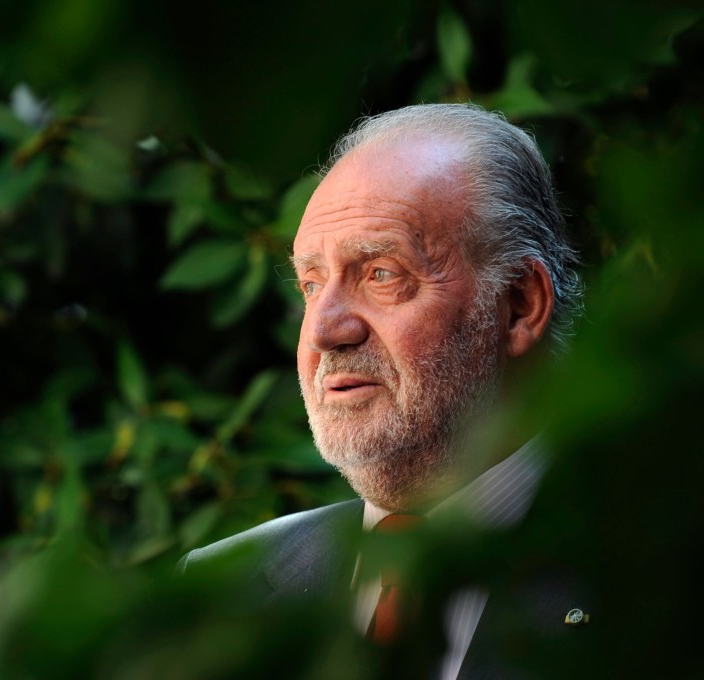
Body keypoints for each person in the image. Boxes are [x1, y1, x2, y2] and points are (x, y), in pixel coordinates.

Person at [177, 103, 585, 678]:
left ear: (520, 306)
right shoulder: (221, 586)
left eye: (381, 274)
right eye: (311, 284)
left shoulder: (659, 576)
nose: (324, 329)